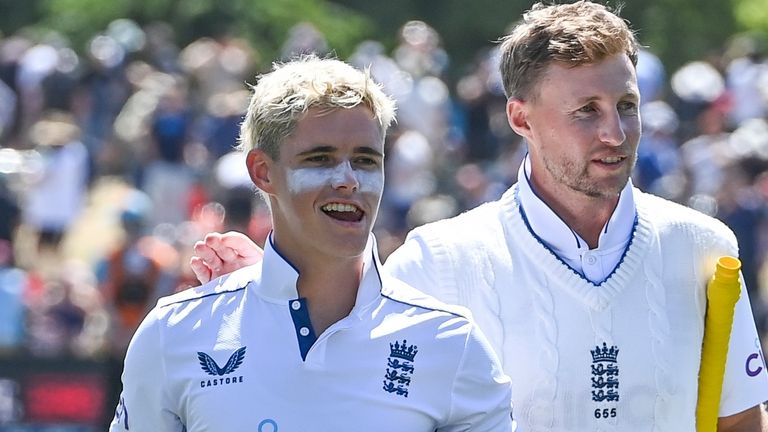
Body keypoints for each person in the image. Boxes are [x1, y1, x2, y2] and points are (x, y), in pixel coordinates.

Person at [190, 2, 768, 431]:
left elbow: (741, 420)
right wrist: (264, 295)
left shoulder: (703, 245)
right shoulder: (438, 258)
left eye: (626, 106)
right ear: (520, 118)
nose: (615, 133)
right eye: (585, 112)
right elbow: (341, 395)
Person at [110, 56, 515, 431]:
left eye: (366, 159)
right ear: (263, 172)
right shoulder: (175, 331)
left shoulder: (449, 340)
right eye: (320, 159)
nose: (349, 179)